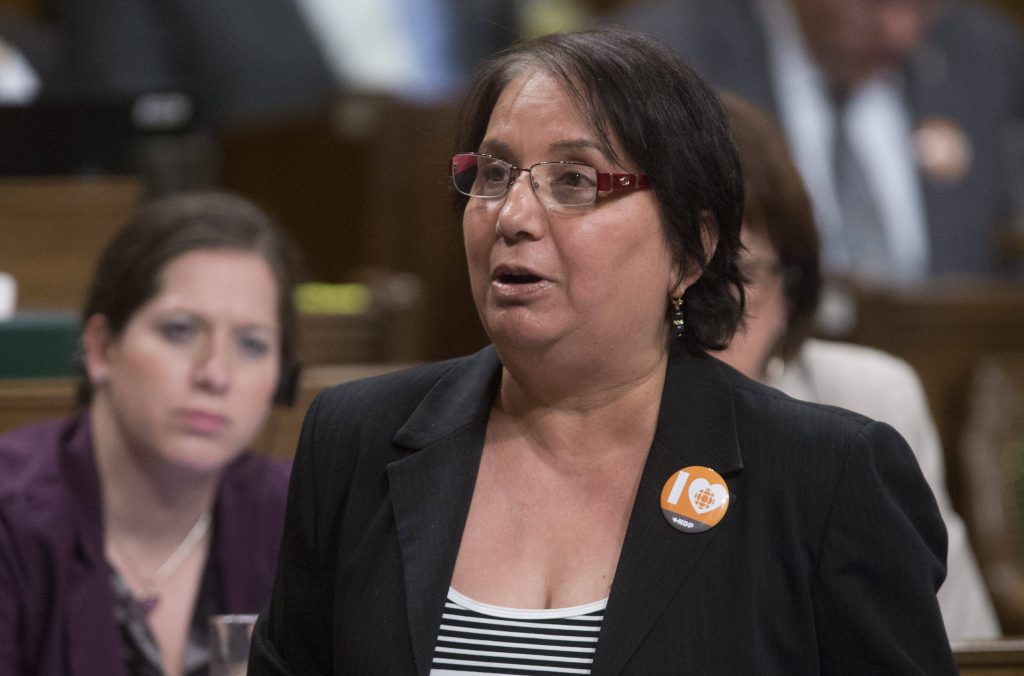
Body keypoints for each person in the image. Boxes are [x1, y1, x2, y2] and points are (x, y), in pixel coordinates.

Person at [249, 28, 956, 673]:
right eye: (493, 175)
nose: (513, 217)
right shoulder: (356, 440)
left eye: (575, 182)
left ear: (693, 247)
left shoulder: (824, 478)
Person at [713, 91, 1001, 640]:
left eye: (736, 279)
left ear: (791, 294)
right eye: (683, 277)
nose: (701, 314)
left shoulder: (868, 403)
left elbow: (962, 647)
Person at [0, 192, 300, 675]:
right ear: (101, 349)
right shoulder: (12, 515)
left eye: (251, 344)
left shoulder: (302, 517)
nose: (215, 373)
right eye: (180, 330)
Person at [608, 0, 1024, 285]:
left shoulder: (987, 56)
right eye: (871, 2)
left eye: (923, 3)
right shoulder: (663, 59)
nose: (902, 34)